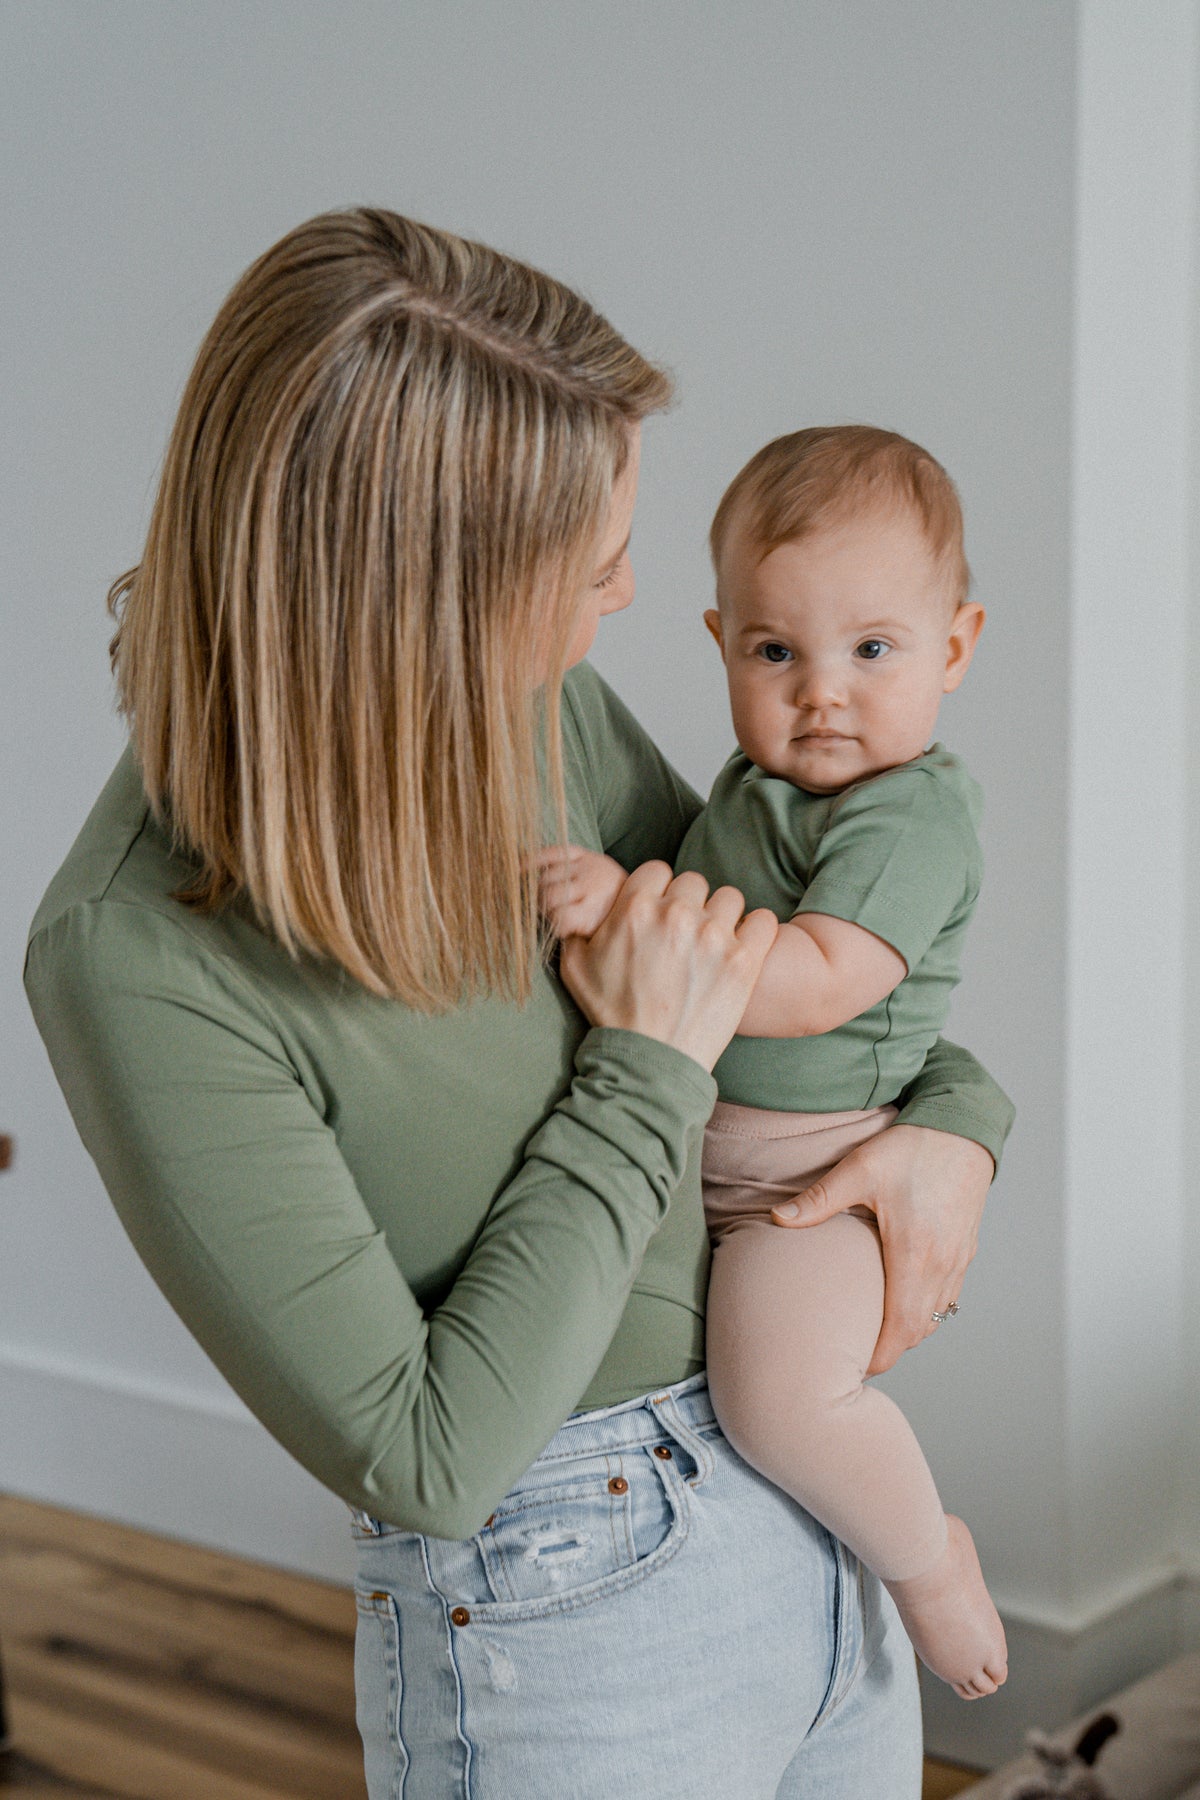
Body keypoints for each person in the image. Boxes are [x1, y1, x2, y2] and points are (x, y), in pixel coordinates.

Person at [24, 211, 1014, 1798]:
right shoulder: (138, 953)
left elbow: (775, 972)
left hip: (813, 1507)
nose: (620, 605)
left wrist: (959, 1129)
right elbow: (426, 1455)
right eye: (591, 565)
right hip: (570, 1604)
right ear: (410, 599)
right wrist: (640, 1066)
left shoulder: (523, 697)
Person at [540, 425, 1009, 1704]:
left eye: (873, 649)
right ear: (721, 644)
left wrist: (626, 906)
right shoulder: (755, 787)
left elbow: (816, 984)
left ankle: (928, 1563)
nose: (823, 693)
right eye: (775, 652)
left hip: (813, 1184)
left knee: (784, 1404)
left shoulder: (911, 814)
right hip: (713, 1167)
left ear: (954, 647)